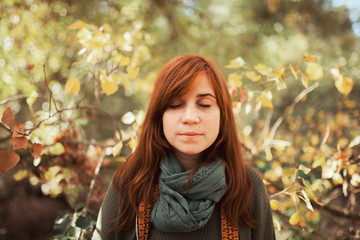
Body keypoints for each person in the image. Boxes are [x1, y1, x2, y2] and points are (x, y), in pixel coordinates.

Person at [92, 55, 275, 240]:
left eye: (204, 104)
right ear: (159, 116)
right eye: (175, 105)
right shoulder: (130, 184)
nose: (190, 117)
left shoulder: (248, 187)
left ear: (223, 115)